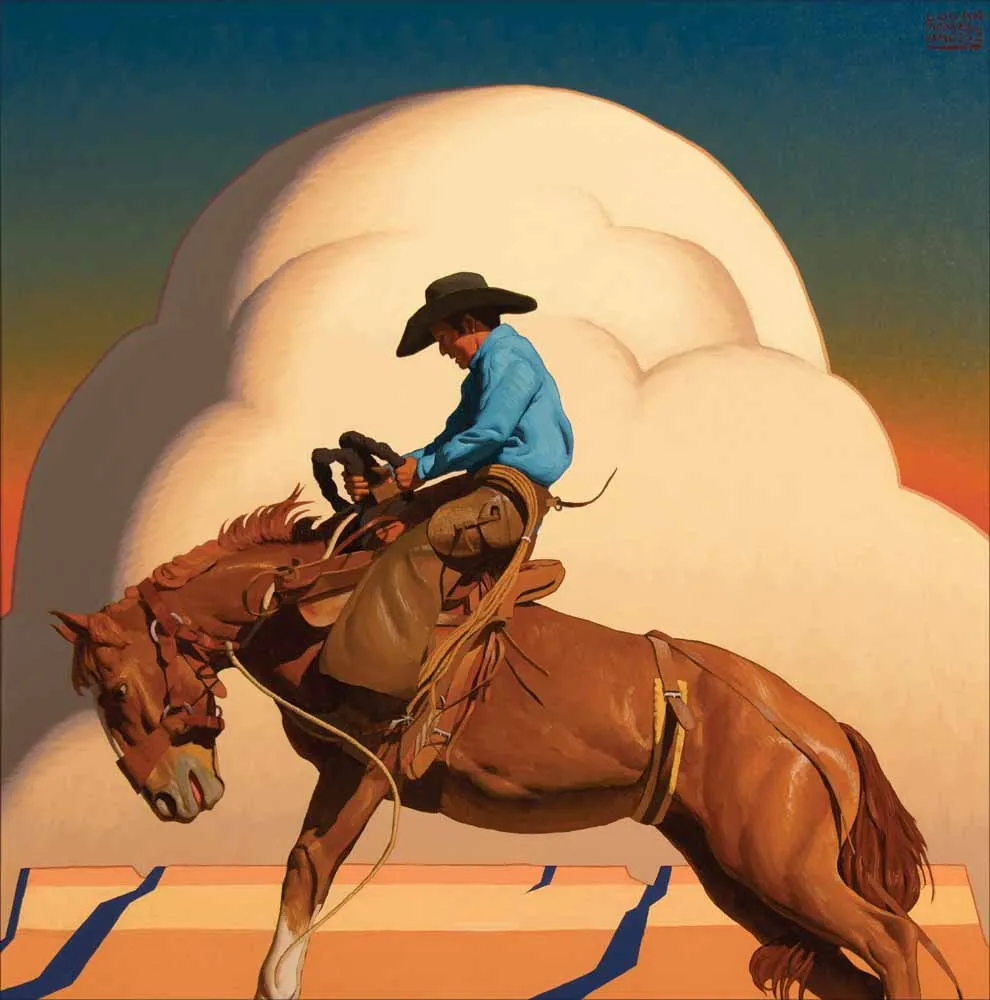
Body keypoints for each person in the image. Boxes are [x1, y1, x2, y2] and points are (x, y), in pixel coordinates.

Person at [320, 271, 573, 699]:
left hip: (509, 495)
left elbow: (488, 434)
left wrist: (422, 471)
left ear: (469, 324)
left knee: (412, 551)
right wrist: (391, 478)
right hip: (485, 485)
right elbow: (449, 440)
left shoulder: (509, 358)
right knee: (386, 520)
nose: (442, 350)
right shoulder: (481, 374)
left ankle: (382, 689)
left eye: (442, 338)